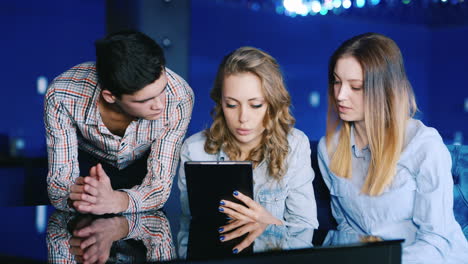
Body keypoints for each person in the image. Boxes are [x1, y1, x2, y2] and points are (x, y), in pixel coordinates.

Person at [317, 32, 468, 263]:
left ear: (385, 89)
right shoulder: (328, 149)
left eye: (355, 86)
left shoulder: (424, 146)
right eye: (337, 82)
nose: (340, 95)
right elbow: (347, 227)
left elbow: (436, 240)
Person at [178, 47, 318, 254]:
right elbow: (188, 234)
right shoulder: (194, 149)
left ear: (272, 104)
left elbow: (304, 231)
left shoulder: (295, 144)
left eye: (255, 105)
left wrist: (269, 224)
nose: (243, 118)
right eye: (231, 105)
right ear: (220, 103)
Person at [44, 30, 194, 214]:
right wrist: (80, 195)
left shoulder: (179, 97)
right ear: (110, 96)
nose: (160, 105)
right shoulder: (62, 95)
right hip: (86, 171)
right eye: (144, 100)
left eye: (163, 89)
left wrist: (118, 201)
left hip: (143, 170)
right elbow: (59, 187)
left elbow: (159, 187)